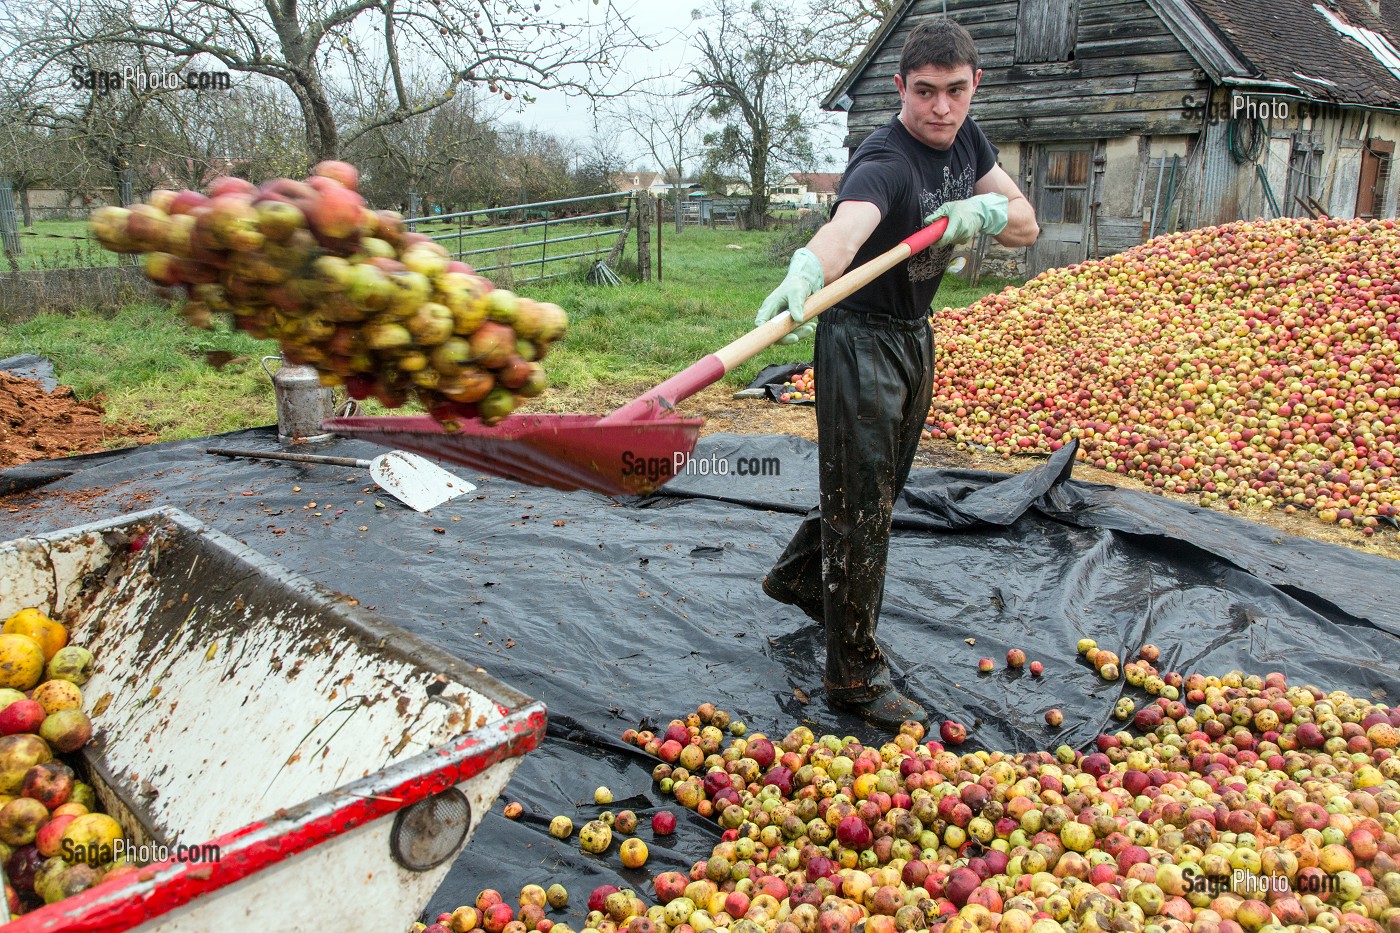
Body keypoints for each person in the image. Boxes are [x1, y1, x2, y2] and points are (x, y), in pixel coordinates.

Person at [756, 17, 1039, 729]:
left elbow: (1027, 223)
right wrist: (811, 267)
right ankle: (853, 676)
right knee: (865, 509)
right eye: (924, 93)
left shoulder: (968, 141)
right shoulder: (884, 158)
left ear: (974, 86)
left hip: (913, 334)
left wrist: (984, 213)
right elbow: (848, 229)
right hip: (858, 339)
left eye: (954, 91)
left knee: (873, 489)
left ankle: (797, 576)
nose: (940, 109)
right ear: (899, 88)